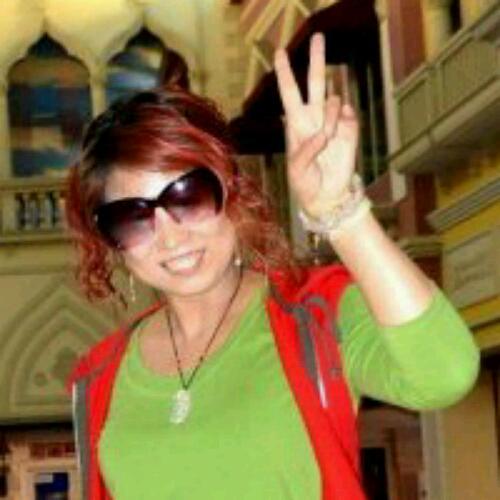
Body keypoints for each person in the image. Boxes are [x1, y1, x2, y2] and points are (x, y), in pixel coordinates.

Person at [65, 33, 479, 500]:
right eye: (132, 216)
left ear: (231, 191)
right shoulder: (99, 375)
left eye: (188, 196)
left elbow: (444, 374)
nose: (170, 234)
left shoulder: (313, 315)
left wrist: (341, 213)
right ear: (111, 241)